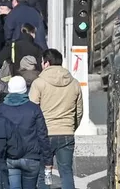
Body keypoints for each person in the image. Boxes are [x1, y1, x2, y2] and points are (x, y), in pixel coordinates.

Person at [29, 50, 83, 189]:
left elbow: (32, 111)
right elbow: (79, 112)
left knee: (44, 172)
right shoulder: (74, 83)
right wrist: (71, 127)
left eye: (42, 62)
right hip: (66, 132)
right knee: (66, 172)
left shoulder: (39, 83)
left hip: (44, 134)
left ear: (47, 63)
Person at [0, 77, 50, 189]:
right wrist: (48, 159)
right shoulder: (34, 108)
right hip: (31, 156)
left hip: (9, 156)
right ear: (25, 90)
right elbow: (42, 135)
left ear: (9, 89)